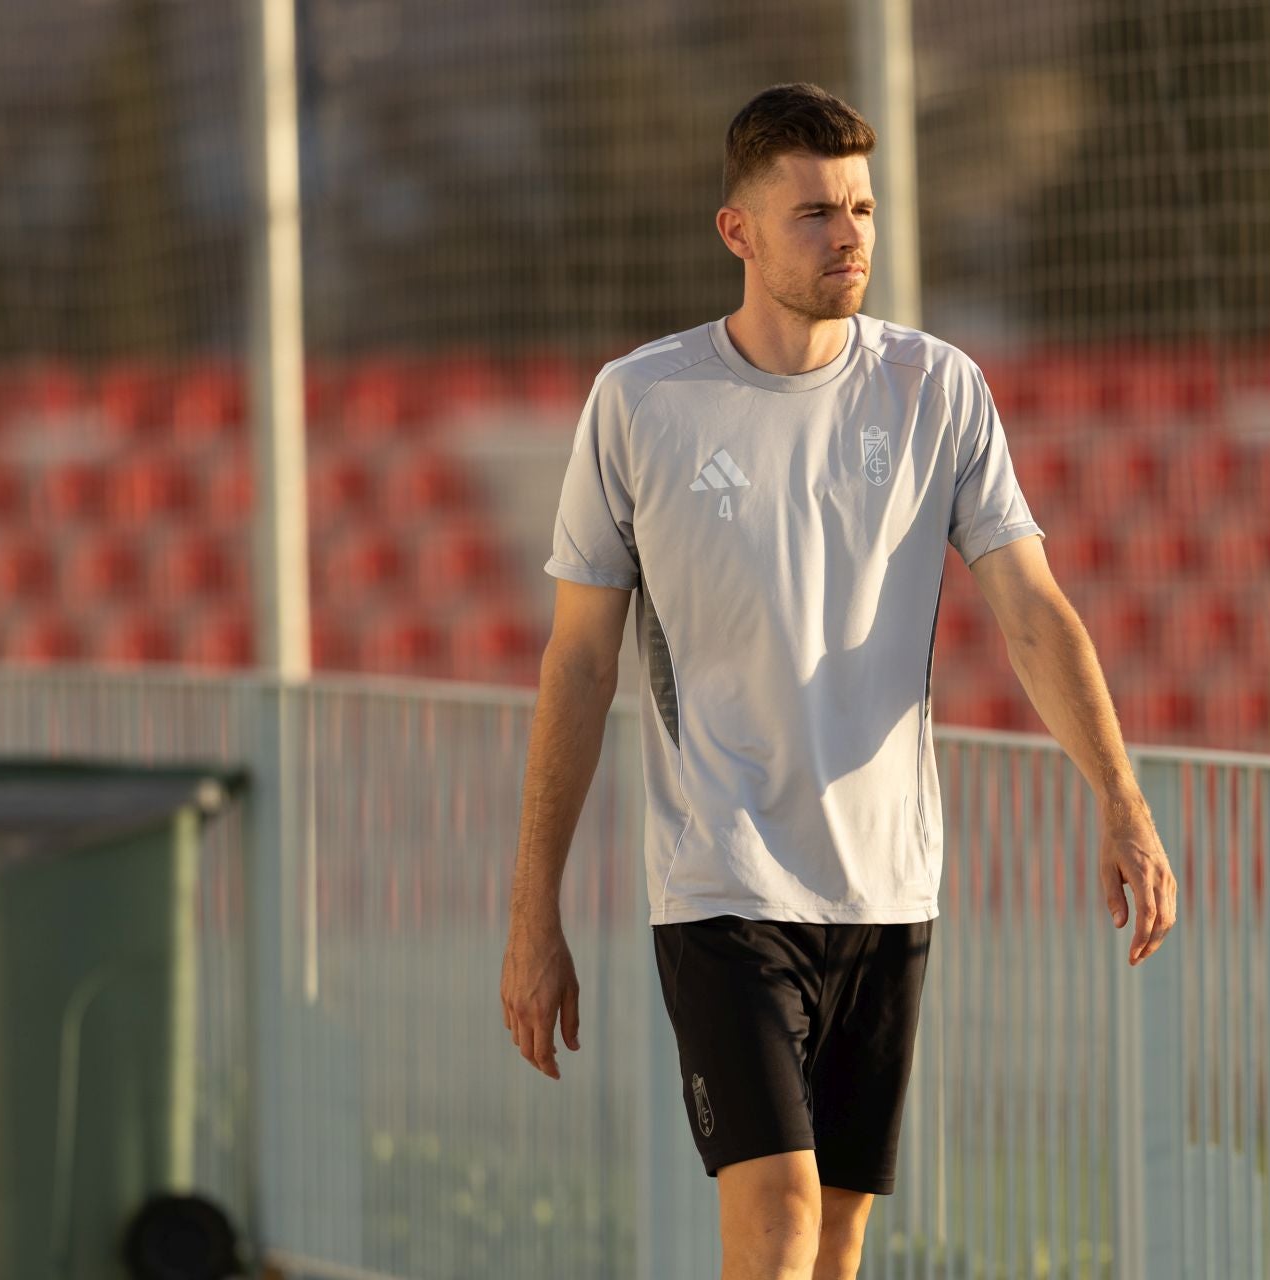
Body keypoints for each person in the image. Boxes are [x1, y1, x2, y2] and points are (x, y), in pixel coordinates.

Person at [500, 81, 1177, 1280]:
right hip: (722, 876)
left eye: (862, 205)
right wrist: (531, 909)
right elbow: (578, 660)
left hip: (888, 879)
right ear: (739, 231)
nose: (850, 232)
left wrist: (1121, 799)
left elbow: (1031, 610)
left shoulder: (937, 389)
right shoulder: (642, 402)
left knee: (842, 1237)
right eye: (815, 211)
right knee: (779, 1214)